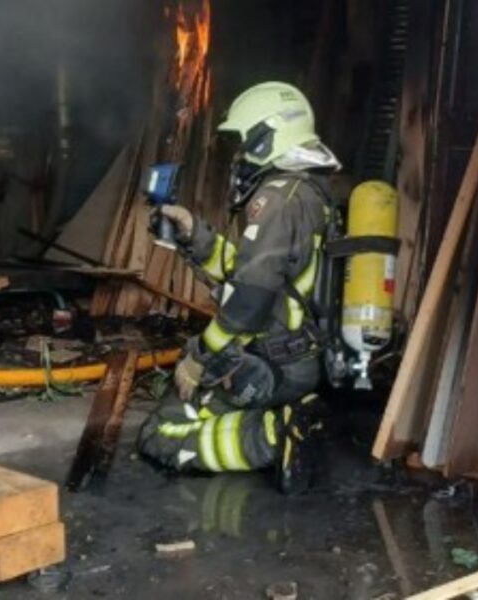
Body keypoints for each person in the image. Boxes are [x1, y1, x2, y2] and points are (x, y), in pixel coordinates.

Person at [137, 82, 340, 493]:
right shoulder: (306, 190)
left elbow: (248, 302)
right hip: (295, 357)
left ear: (268, 137)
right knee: (192, 415)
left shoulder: (278, 199)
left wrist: (198, 358)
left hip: (273, 366)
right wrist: (194, 234)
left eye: (244, 143)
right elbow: (248, 272)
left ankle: (275, 434)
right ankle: (294, 412)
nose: (240, 156)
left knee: (162, 433)